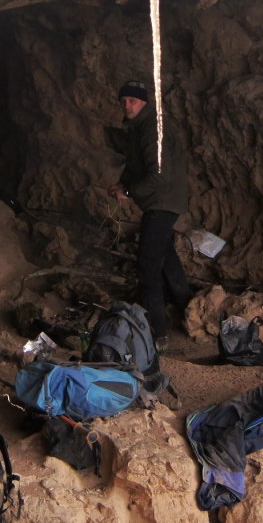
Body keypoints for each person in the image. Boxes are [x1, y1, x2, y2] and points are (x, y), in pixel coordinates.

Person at [108, 80, 191, 341]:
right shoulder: (140, 128)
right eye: (124, 101)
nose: (127, 105)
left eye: (132, 101)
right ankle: (188, 307)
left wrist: (130, 191)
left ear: (144, 102)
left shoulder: (152, 129)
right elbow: (137, 165)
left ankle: (155, 333)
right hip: (162, 201)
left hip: (162, 202)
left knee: (147, 266)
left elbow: (159, 175)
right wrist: (124, 183)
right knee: (164, 256)